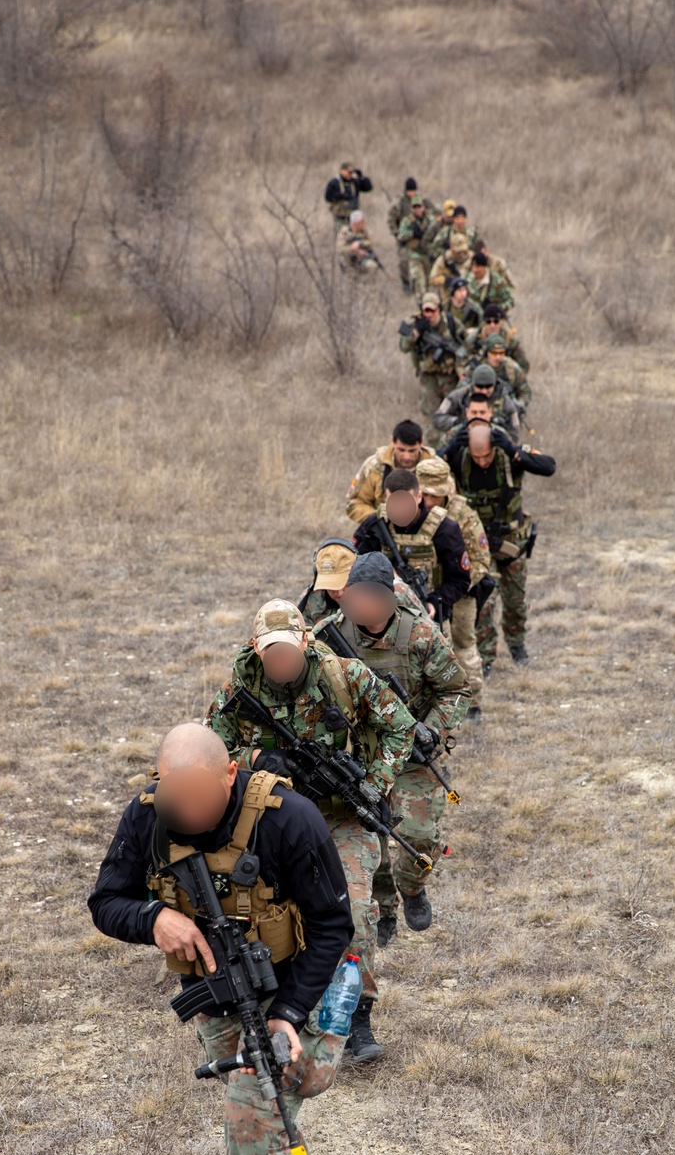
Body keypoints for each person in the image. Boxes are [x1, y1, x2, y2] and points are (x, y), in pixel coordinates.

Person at [88, 723, 354, 1155]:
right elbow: (106, 901)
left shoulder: (291, 819)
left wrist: (288, 1013)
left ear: (230, 775)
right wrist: (153, 918)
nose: (189, 814)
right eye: (176, 800)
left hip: (303, 987)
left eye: (201, 800)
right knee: (262, 1115)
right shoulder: (146, 818)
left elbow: (334, 924)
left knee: (249, 1115)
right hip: (220, 998)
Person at [206, 600, 416, 1063]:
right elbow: (207, 753)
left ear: (305, 641)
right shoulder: (239, 688)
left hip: (340, 814)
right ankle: (273, 1009)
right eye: (270, 652)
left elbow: (402, 728)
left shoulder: (347, 677)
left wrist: (374, 783)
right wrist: (256, 761)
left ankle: (356, 1016)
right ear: (256, 650)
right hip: (270, 818)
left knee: (353, 911)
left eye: (287, 650)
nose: (280, 661)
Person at [328, 553, 470, 945]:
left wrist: (431, 730)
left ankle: (411, 887)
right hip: (361, 756)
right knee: (369, 835)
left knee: (419, 835)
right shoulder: (330, 637)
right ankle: (384, 910)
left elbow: (457, 690)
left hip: (412, 751)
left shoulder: (421, 635)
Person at [439, 422, 556, 670]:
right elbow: (428, 468)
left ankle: (517, 646)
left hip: (511, 541)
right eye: (477, 456)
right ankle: (485, 658)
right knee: (485, 602)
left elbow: (549, 466)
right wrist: (449, 451)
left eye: (487, 456)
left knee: (515, 599)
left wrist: (515, 451)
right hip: (478, 543)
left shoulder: (509, 456)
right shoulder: (459, 459)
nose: (482, 462)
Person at [416, 455, 490, 722]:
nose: (429, 501)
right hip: (422, 596)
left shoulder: (463, 514)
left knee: (463, 644)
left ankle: (473, 704)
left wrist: (456, 584)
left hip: (459, 596)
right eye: (425, 494)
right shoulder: (410, 512)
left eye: (435, 495)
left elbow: (481, 560)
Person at [353, 467, 471, 624]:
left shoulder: (444, 529)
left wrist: (435, 602)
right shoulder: (375, 524)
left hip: (430, 620)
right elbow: (355, 566)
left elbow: (459, 580)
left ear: (419, 497)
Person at [299, 537, 426, 627]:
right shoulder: (310, 601)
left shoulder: (395, 594)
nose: (339, 593)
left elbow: (431, 636)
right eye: (331, 587)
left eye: (345, 584)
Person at [345, 419, 435, 525]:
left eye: (412, 451)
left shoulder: (436, 469)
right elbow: (354, 504)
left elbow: (450, 506)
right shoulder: (375, 466)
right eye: (401, 450)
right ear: (393, 441)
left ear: (421, 443)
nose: (406, 457)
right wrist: (379, 520)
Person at [398, 293, 464, 430]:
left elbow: (466, 344)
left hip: (449, 377)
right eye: (425, 311)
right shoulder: (416, 324)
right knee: (430, 417)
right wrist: (416, 332)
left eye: (432, 311)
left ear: (439, 310)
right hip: (429, 378)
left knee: (453, 413)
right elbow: (404, 346)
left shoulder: (450, 323)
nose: (429, 314)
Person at [433, 362, 523, 441]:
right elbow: (438, 417)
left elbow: (514, 431)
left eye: (488, 387)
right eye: (480, 387)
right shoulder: (458, 396)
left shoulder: (506, 402)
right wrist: (457, 422)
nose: (484, 391)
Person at [465, 302, 529, 374]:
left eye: (496, 321)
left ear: (501, 322)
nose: (492, 325)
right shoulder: (475, 338)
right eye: (488, 321)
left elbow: (524, 366)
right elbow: (461, 358)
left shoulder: (510, 340)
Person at [396, 195, 436, 299]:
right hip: (415, 255)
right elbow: (401, 235)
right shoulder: (407, 221)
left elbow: (437, 233)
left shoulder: (430, 219)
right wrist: (412, 233)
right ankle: (421, 302)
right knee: (419, 282)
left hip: (428, 255)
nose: (417, 209)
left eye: (419, 206)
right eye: (415, 207)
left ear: (423, 207)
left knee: (429, 283)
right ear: (411, 208)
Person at [466, 249, 515, 314]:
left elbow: (510, 301)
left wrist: (496, 309)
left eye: (477, 267)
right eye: (473, 266)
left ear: (484, 266)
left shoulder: (497, 281)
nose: (474, 270)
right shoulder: (467, 279)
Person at [428, 233, 472, 303]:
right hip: (448, 299)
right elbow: (432, 279)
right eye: (458, 251)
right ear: (452, 247)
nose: (461, 253)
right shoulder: (444, 260)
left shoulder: (472, 257)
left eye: (463, 250)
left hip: (470, 297)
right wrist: (445, 280)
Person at [324, 161, 372, 227]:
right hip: (340, 215)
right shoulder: (334, 183)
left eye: (351, 172)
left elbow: (368, 188)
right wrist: (340, 196)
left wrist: (361, 177)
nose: (350, 174)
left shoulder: (354, 182)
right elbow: (328, 197)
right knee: (342, 234)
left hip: (353, 215)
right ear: (341, 171)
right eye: (348, 171)